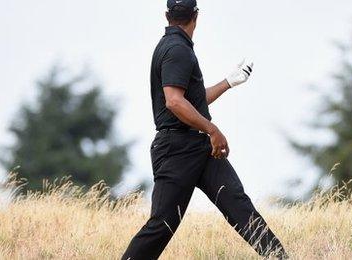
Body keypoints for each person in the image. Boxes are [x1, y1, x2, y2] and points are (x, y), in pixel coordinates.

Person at [121, 1, 288, 259]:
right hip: (177, 150)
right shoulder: (177, 50)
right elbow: (175, 102)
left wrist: (229, 82)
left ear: (167, 16)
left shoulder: (174, 48)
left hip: (198, 148)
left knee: (239, 206)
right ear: (196, 16)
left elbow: (191, 103)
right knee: (162, 225)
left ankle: (280, 257)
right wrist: (212, 129)